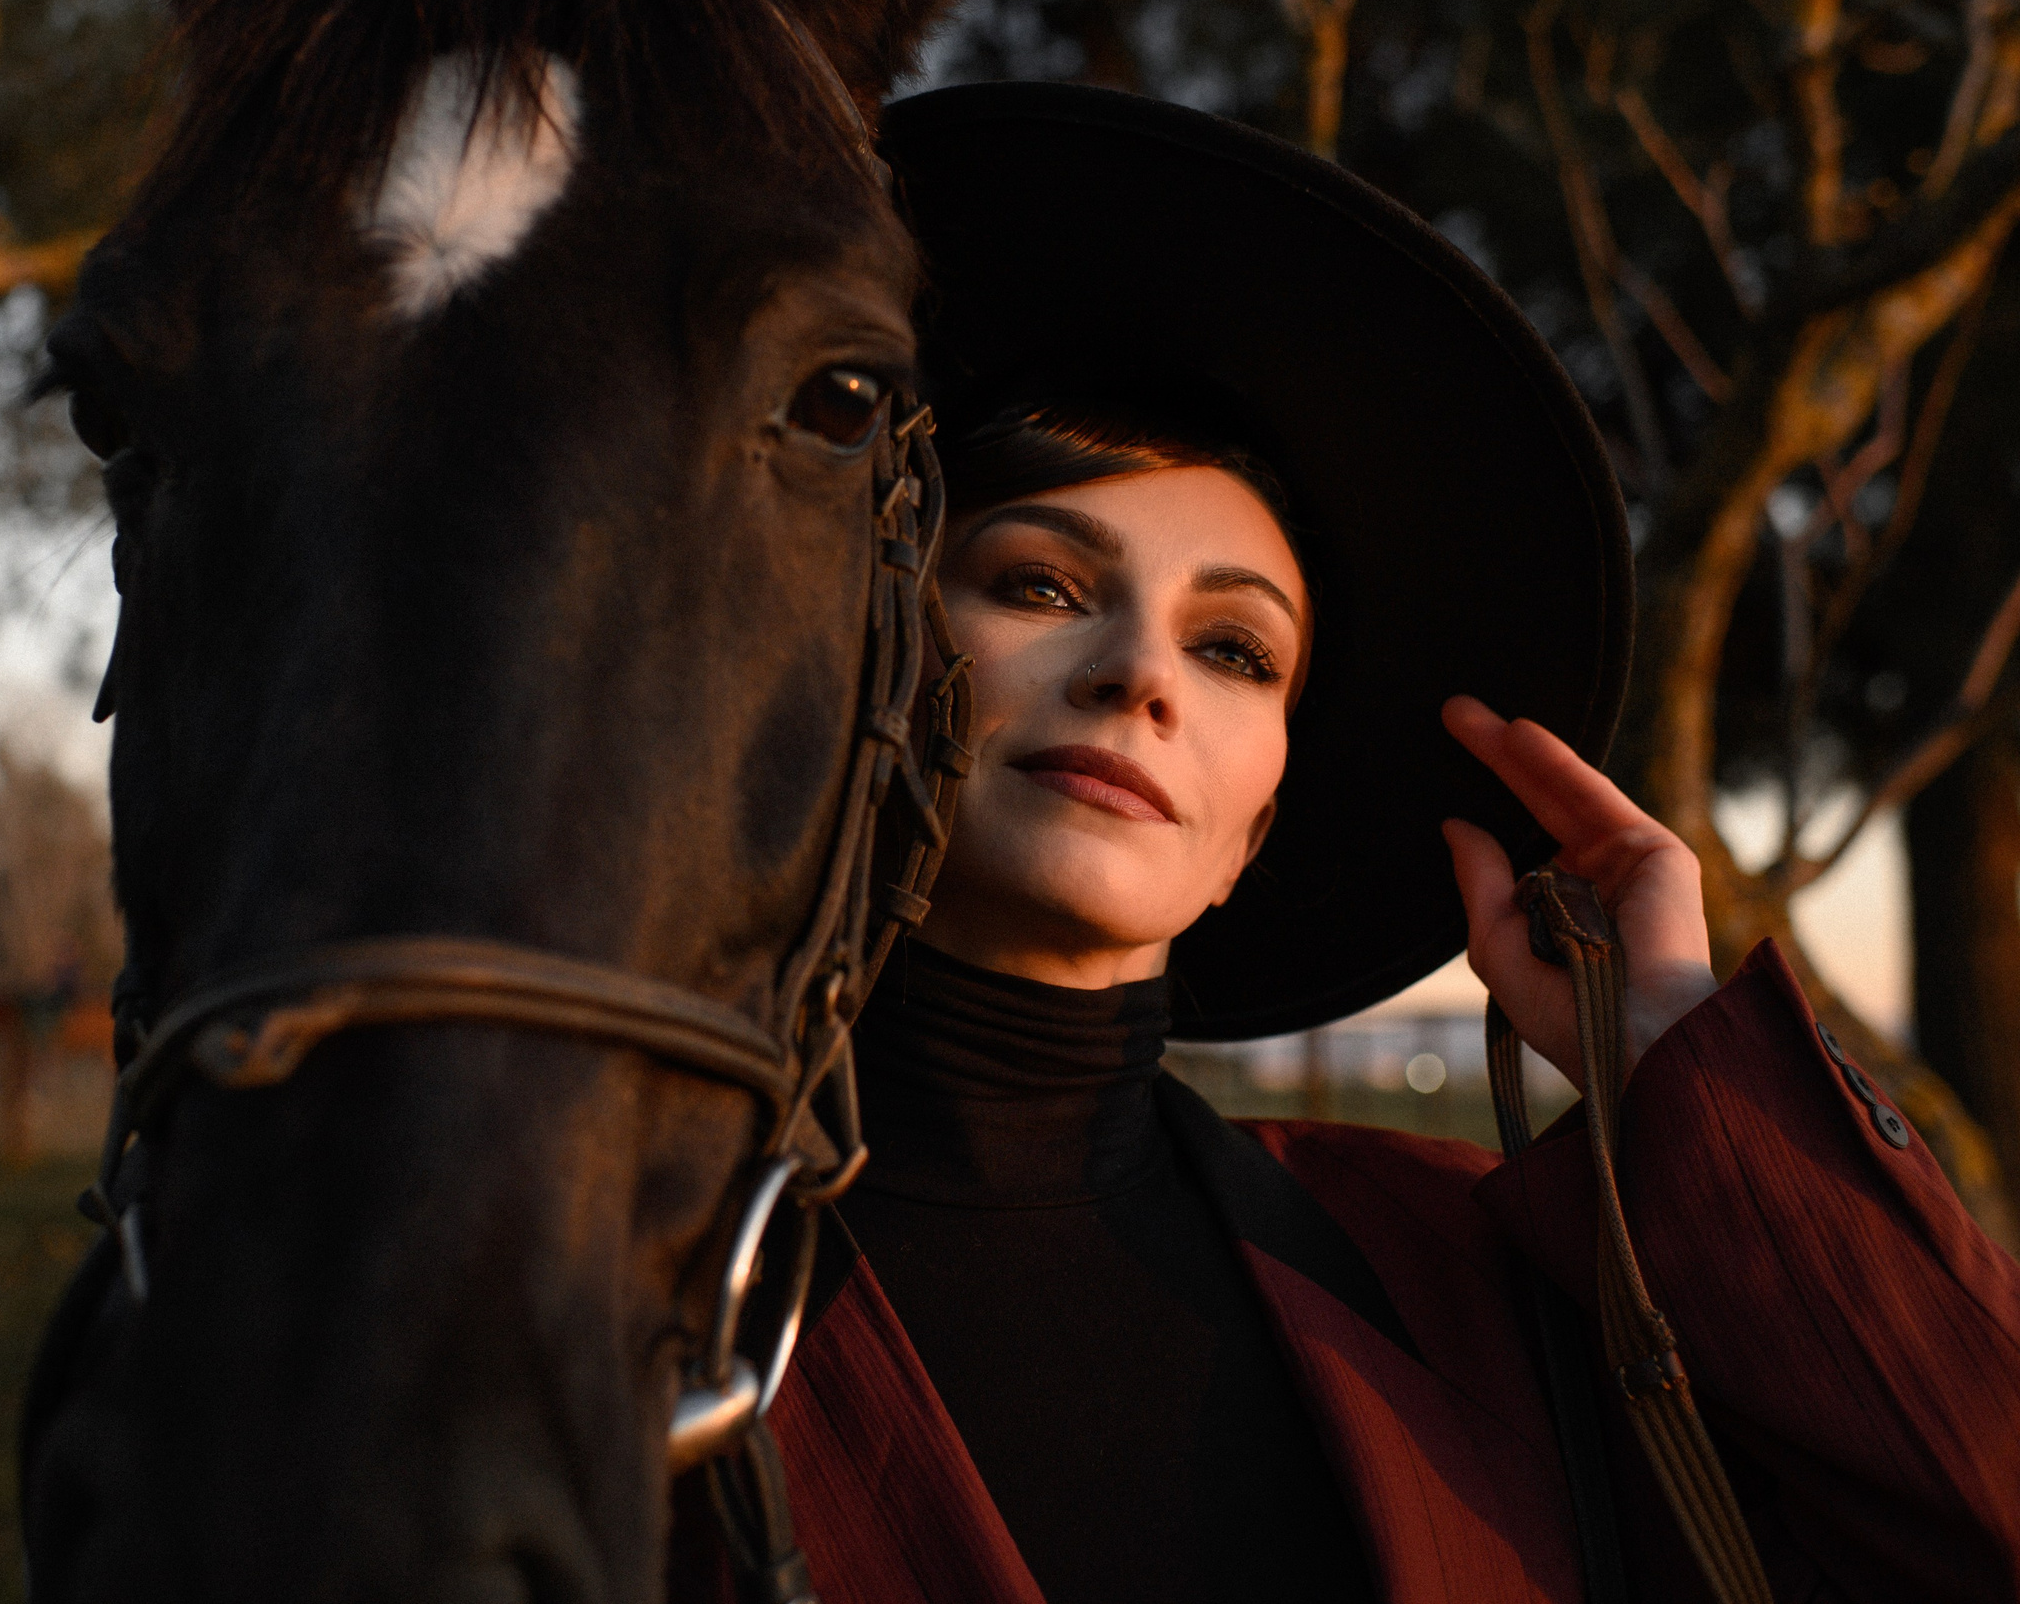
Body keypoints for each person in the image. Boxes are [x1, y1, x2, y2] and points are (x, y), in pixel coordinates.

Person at [689, 84, 2020, 1603]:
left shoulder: (1470, 1278)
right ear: (861, 650)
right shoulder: (609, 1265)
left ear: (1256, 825)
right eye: (1044, 584)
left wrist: (1682, 1069)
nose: (1142, 677)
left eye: (1238, 653)